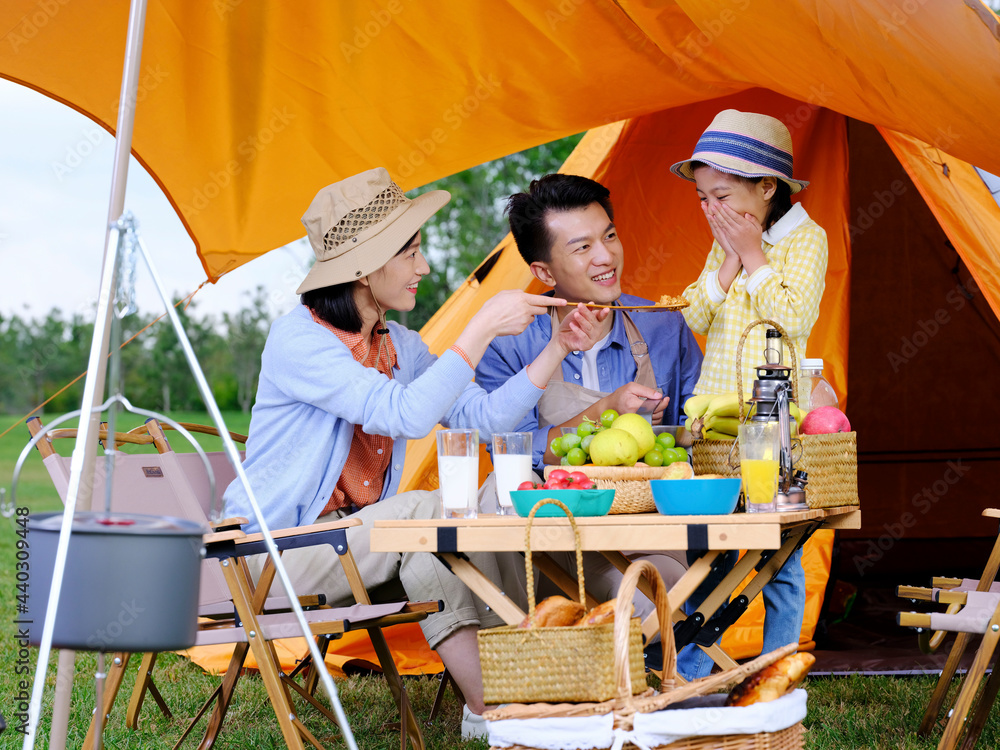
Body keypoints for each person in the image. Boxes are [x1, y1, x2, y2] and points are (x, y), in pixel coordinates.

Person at [222, 167, 606, 737]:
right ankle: (525, 688)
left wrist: (556, 347)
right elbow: (403, 415)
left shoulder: (399, 344)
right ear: (364, 265)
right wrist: (477, 331)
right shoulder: (297, 340)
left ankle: (498, 706)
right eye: (411, 253)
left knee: (493, 498)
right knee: (430, 513)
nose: (423, 268)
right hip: (276, 557)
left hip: (359, 546)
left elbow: (486, 420)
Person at [475, 174, 703, 634]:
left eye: (611, 236)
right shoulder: (511, 341)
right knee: (495, 491)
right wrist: (607, 415)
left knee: (655, 594)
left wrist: (671, 431)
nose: (606, 257)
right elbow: (509, 451)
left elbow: (696, 439)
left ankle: (655, 674)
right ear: (544, 273)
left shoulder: (662, 326)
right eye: (582, 248)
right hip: (552, 539)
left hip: (648, 533)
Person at [670, 109, 829, 678]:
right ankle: (692, 666)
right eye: (703, 198)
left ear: (767, 188)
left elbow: (792, 314)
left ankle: (776, 666)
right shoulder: (726, 246)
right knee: (707, 548)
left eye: (720, 195)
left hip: (773, 423)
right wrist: (732, 258)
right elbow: (695, 311)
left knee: (778, 552)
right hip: (714, 423)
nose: (710, 209)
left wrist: (756, 256)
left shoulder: (808, 239)